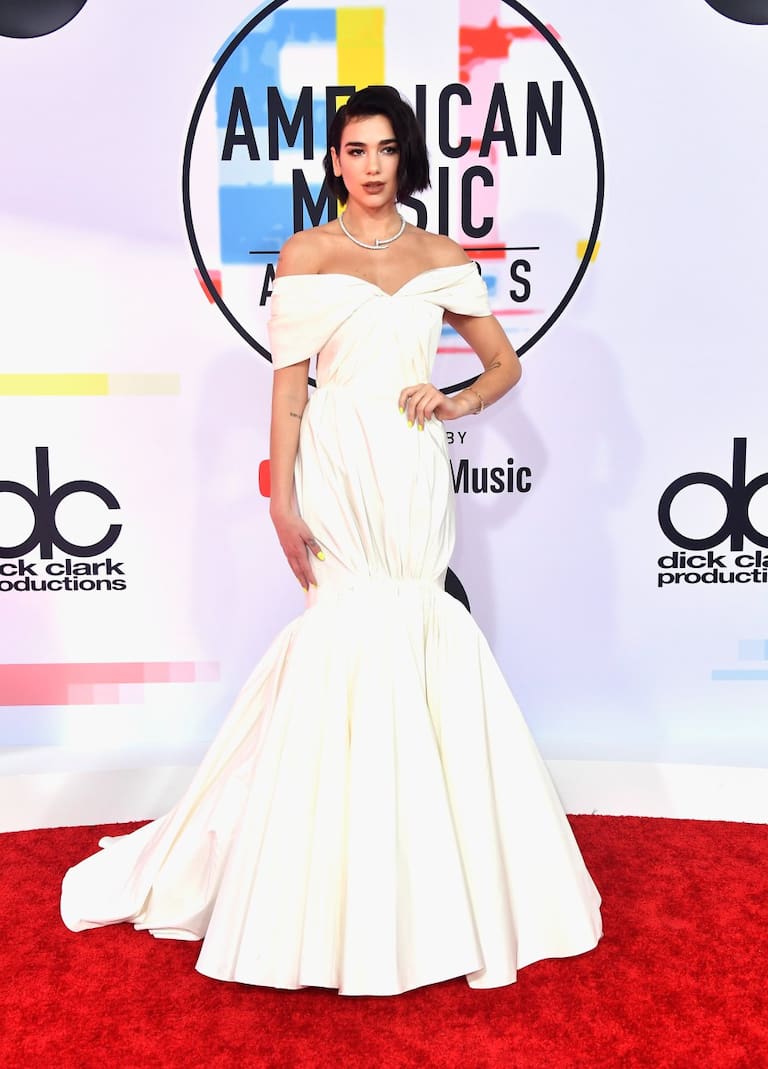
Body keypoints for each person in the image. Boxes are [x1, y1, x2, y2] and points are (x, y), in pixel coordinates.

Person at [60, 86, 602, 996]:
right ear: (336, 161)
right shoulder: (307, 252)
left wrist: (457, 399)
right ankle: (330, 892)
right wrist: (282, 497)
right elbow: (288, 389)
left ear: (406, 156)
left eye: (386, 148)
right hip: (337, 462)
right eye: (356, 149)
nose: (372, 165)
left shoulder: (441, 255)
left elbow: (504, 362)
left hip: (412, 464)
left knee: (414, 622)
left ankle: (430, 881)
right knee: (344, 631)